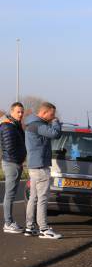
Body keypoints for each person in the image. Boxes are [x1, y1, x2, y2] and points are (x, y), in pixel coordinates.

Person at [24, 102, 63, 239]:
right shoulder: (38, 125)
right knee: (42, 198)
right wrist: (56, 122)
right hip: (40, 166)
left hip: (34, 165)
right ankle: (44, 229)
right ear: (44, 112)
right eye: (52, 114)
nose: (53, 117)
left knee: (33, 198)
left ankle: (29, 227)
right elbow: (56, 134)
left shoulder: (31, 123)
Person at [1, 102, 26, 233]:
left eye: (22, 112)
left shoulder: (15, 125)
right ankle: (8, 223)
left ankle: (9, 221)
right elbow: (10, 148)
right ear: (12, 112)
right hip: (12, 163)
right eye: (18, 111)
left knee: (11, 194)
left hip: (15, 162)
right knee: (9, 195)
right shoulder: (8, 127)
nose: (21, 114)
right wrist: (18, 161)